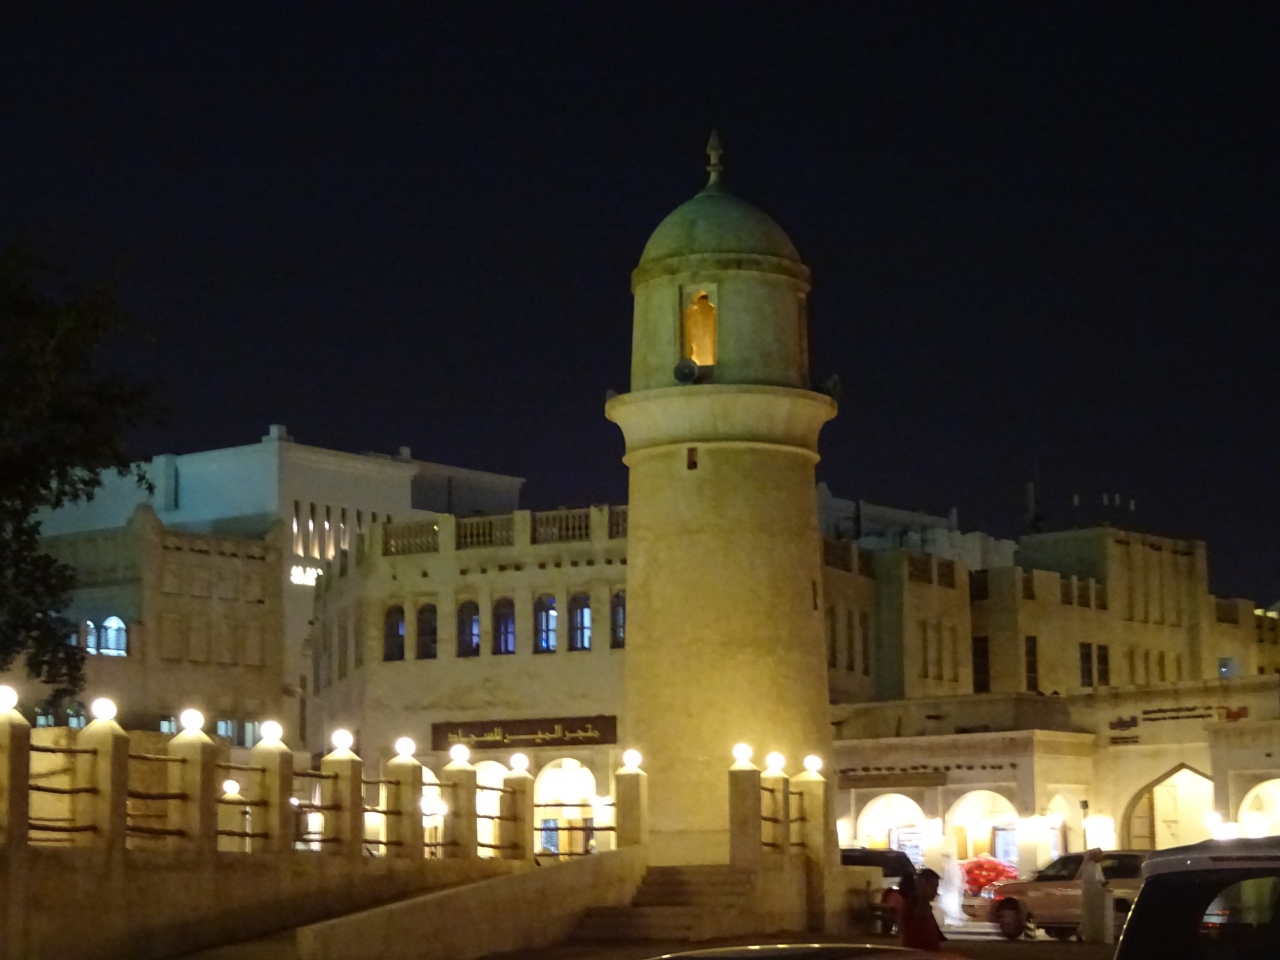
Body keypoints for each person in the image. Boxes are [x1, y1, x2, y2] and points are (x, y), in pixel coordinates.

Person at [898, 867, 946, 951]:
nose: (935, 892)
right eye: (933, 887)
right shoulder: (916, 905)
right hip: (920, 953)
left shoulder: (917, 904)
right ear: (923, 885)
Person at [1078, 847, 1108, 942]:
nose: (1101, 857)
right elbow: (1090, 881)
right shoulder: (1089, 867)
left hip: (1097, 894)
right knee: (1090, 915)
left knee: (1096, 915)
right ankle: (1088, 935)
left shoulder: (1097, 866)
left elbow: (1100, 879)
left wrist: (1103, 883)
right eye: (1099, 855)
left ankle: (1093, 934)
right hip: (1091, 894)